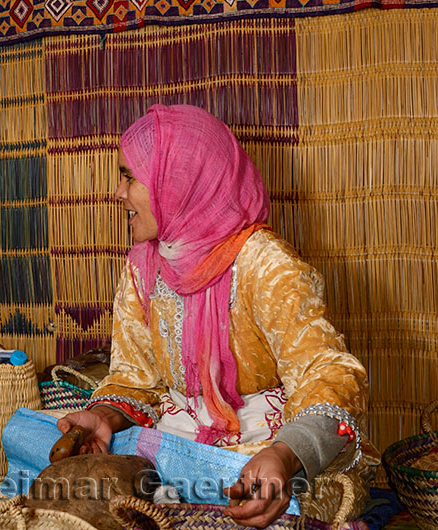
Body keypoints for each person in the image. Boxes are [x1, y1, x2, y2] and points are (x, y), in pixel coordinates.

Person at [56, 105, 379, 527]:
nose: (117, 193)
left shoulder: (264, 263)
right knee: (24, 433)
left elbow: (331, 374)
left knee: (258, 488)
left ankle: (219, 483)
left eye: (129, 177)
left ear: (177, 182)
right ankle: (181, 478)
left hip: (258, 448)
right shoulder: (142, 267)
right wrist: (104, 419)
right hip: (174, 438)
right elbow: (134, 378)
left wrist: (283, 455)